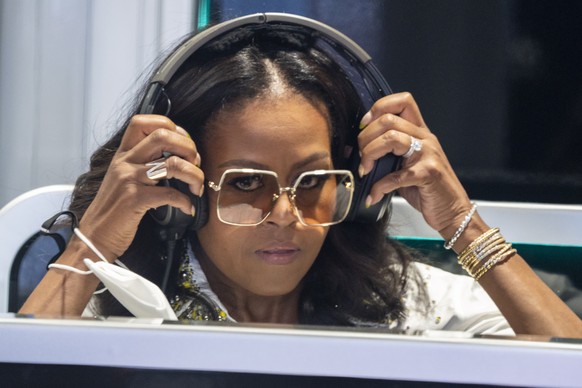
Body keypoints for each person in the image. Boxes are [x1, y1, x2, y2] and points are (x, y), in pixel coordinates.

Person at [20, 14, 582, 338]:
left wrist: (461, 220)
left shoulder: (401, 303)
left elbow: (566, 362)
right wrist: (91, 241)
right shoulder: (110, 307)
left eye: (313, 182)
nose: (287, 217)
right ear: (179, 194)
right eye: (246, 183)